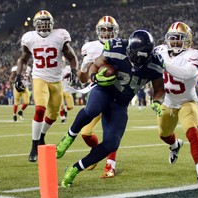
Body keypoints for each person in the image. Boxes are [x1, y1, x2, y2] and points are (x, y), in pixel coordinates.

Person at [56, 30, 165, 188]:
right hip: (104, 91)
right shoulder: (116, 48)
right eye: (136, 56)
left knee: (112, 143)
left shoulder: (155, 63)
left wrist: (156, 101)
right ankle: (68, 138)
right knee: (92, 109)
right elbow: (95, 65)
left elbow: (159, 89)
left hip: (120, 104)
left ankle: (75, 169)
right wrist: (94, 77)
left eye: (143, 57)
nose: (138, 60)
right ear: (129, 50)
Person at [14, 10, 78, 162]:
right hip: (39, 77)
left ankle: (41, 137)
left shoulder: (59, 36)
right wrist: (18, 76)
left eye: (46, 23)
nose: (43, 27)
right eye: (41, 23)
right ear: (35, 25)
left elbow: (72, 57)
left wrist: (74, 70)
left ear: (52, 24)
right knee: (40, 108)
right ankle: (34, 146)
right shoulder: (30, 38)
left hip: (56, 80)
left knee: (53, 115)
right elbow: (23, 60)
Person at [155, 21, 198, 188]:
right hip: (168, 102)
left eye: (179, 38)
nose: (174, 42)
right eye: (172, 38)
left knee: (192, 132)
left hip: (187, 101)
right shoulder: (160, 50)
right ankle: (175, 145)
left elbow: (187, 73)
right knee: (164, 134)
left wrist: (164, 63)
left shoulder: (195, 55)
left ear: (187, 40)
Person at [77, 16, 120, 178]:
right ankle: (97, 154)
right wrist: (83, 67)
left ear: (115, 31)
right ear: (98, 31)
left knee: (111, 133)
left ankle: (110, 166)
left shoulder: (121, 46)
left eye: (110, 29)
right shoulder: (91, 47)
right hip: (98, 94)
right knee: (85, 132)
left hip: (115, 94)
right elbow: (82, 80)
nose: (107, 33)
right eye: (104, 29)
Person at [60, 57, 74, 124]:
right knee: (61, 105)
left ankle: (66, 111)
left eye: (62, 61)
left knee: (70, 106)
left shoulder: (68, 68)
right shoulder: (56, 69)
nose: (61, 63)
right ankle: (62, 118)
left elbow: (71, 74)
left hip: (67, 88)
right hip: (59, 89)